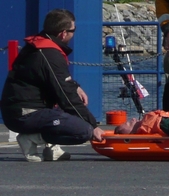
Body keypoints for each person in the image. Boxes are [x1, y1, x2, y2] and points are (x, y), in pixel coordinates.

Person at [1, 9, 106, 162]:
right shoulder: (50, 55)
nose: (73, 33)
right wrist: (93, 125)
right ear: (63, 33)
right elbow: (66, 96)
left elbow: (55, 80)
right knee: (83, 131)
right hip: (25, 113)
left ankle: (51, 148)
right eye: (73, 30)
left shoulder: (39, 47)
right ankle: (31, 138)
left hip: (20, 109)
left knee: (62, 113)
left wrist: (75, 86)